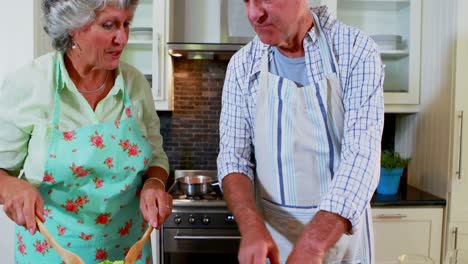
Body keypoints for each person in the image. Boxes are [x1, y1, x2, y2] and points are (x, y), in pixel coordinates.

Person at [0, 0, 171, 263]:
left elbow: (156, 157)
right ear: (72, 27)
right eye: (109, 25)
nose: (122, 38)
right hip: (51, 254)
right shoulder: (29, 84)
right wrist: (10, 185)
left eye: (126, 24)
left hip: (128, 253)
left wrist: (154, 184)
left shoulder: (135, 85)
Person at [217, 1, 384, 263]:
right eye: (246, 0)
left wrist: (312, 245)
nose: (254, 13)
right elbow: (233, 159)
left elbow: (362, 157)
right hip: (275, 248)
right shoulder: (242, 66)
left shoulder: (355, 51)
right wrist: (250, 225)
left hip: (343, 245)